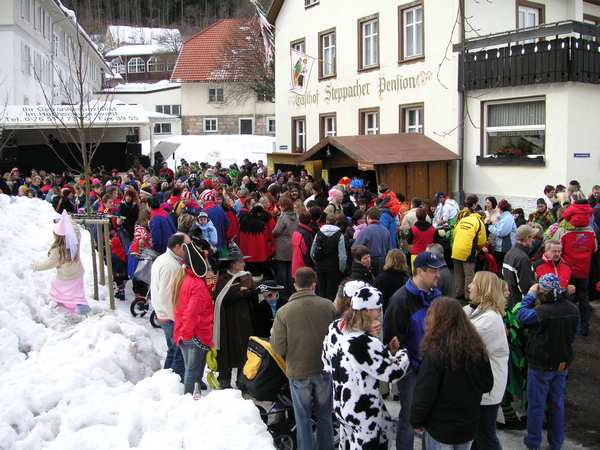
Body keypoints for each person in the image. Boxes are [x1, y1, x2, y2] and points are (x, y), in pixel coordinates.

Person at [322, 285, 409, 449]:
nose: (380, 313)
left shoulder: (335, 328)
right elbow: (392, 373)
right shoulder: (365, 342)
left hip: (342, 405)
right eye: (378, 309)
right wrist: (404, 352)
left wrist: (385, 350)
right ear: (367, 311)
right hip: (363, 411)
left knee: (346, 444)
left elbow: (329, 361)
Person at [411, 297, 494, 450]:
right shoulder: (477, 349)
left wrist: (416, 420)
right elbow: (487, 383)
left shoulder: (435, 352)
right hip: (468, 426)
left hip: (440, 428)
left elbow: (425, 392)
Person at [383, 251, 444, 450]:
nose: (438, 275)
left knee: (432, 417)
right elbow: (391, 339)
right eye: (433, 271)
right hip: (411, 371)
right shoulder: (400, 300)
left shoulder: (436, 296)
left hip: (434, 367)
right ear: (419, 271)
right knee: (409, 417)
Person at [271, 267, 336, 450]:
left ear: (295, 285)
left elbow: (278, 347)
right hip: (324, 369)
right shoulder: (328, 306)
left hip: (298, 371)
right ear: (314, 284)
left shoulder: (283, 312)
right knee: (325, 416)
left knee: (303, 418)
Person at [516, 274, 579, 450]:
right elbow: (574, 334)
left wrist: (530, 295)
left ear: (542, 291)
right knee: (557, 404)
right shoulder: (573, 309)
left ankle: (533, 443)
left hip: (540, 364)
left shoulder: (543, 312)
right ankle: (556, 442)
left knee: (536, 405)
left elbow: (521, 315)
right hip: (562, 363)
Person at [464, 272, 509, 450]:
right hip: (483, 387)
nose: (469, 286)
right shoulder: (480, 311)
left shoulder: (489, 319)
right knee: (478, 437)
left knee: (485, 437)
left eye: (473, 283)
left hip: (487, 391)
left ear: (484, 288)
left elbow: (461, 342)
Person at [171, 242, 213, 395]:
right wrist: (188, 334)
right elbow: (192, 313)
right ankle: (189, 399)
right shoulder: (197, 285)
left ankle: (192, 395)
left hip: (184, 332)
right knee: (193, 372)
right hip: (195, 335)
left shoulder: (184, 278)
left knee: (191, 370)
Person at [213, 244, 255, 388]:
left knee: (243, 350)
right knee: (226, 350)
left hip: (243, 321)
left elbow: (251, 294)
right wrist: (240, 291)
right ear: (232, 264)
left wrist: (247, 292)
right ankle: (224, 379)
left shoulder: (246, 277)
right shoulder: (223, 279)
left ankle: (242, 382)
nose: (244, 264)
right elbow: (221, 296)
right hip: (226, 322)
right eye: (241, 261)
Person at [31, 211, 89, 314]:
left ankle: (64, 306)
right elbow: (75, 229)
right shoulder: (75, 240)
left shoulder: (57, 250)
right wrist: (68, 220)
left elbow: (48, 264)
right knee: (77, 294)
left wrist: (36, 266)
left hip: (66, 277)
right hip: (78, 273)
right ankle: (81, 307)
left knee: (57, 288)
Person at [150, 233, 189, 381]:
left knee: (173, 351)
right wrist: (178, 320)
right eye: (187, 246)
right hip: (170, 317)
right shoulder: (171, 266)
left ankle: (165, 381)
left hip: (165, 314)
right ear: (178, 247)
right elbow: (166, 297)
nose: (190, 249)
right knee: (179, 354)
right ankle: (174, 383)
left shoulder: (165, 259)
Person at [560, 200, 597, 336]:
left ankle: (568, 327)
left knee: (568, 297)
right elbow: (594, 249)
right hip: (584, 269)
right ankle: (584, 327)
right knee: (583, 297)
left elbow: (559, 251)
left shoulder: (565, 231)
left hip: (568, 270)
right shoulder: (591, 231)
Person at [451, 199, 486, 300]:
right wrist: (479, 249)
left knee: (458, 274)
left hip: (455, 250)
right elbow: (482, 241)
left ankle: (458, 293)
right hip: (468, 251)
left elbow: (454, 233)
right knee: (469, 274)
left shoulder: (462, 220)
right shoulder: (479, 222)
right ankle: (468, 295)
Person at [311, 213, 347, 300]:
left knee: (321, 290)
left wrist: (316, 262)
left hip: (320, 266)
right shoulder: (340, 235)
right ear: (336, 222)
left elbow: (312, 252)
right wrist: (342, 269)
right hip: (334, 267)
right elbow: (342, 256)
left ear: (326, 221)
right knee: (331, 292)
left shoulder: (318, 233)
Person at [503, 225, 538, 309]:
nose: (533, 240)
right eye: (532, 237)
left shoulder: (509, 253)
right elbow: (526, 286)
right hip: (521, 305)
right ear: (527, 238)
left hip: (511, 301)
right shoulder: (523, 258)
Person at [272, 196, 298, 296]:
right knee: (291, 269)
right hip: (292, 244)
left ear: (284, 206)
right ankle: (291, 290)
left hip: (282, 246)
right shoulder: (295, 216)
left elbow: (276, 231)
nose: (279, 207)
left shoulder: (283, 217)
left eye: (280, 205)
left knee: (282, 269)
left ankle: (283, 292)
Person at [353, 207, 390, 275]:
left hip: (369, 262)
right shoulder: (386, 231)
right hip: (383, 261)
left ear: (368, 217)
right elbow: (389, 248)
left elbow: (355, 248)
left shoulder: (365, 231)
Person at [488, 199, 517, 268]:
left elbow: (501, 233)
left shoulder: (507, 218)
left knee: (501, 267)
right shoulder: (504, 217)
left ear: (500, 208)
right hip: (501, 247)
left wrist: (490, 227)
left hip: (504, 249)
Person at [290, 210, 315, 279]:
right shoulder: (306, 234)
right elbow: (306, 252)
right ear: (310, 221)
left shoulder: (296, 231)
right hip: (303, 266)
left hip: (295, 263)